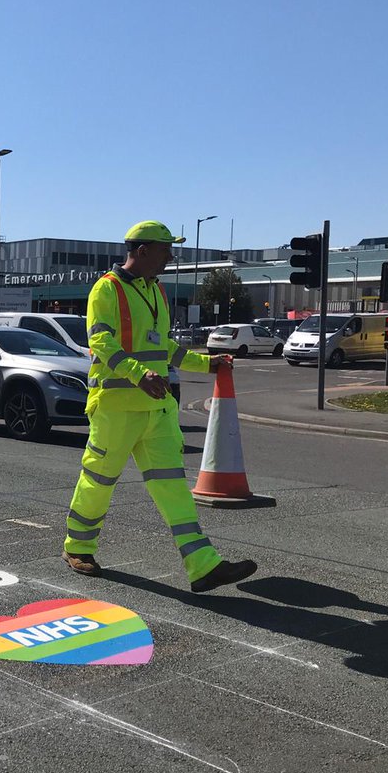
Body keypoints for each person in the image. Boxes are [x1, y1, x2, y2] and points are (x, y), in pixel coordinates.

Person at [63, 220, 257, 593]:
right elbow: (100, 342)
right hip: (116, 407)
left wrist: (206, 362)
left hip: (156, 409)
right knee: (99, 482)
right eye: (166, 249)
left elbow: (162, 346)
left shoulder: (156, 292)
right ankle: (78, 547)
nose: (171, 256)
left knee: (173, 488)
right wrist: (140, 375)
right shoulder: (107, 289)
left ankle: (203, 566)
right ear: (142, 250)